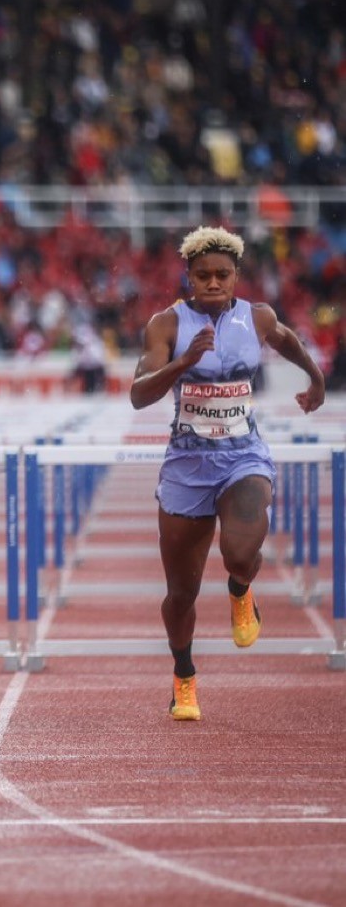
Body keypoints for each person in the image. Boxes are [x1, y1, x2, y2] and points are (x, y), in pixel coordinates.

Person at [130, 226, 324, 721]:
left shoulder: (256, 317)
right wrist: (185, 362)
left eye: (222, 275)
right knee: (180, 594)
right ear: (188, 278)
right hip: (186, 467)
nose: (213, 283)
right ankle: (184, 677)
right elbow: (139, 394)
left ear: (236, 277)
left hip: (243, 456)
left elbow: (288, 341)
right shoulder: (166, 326)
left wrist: (316, 377)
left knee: (240, 553)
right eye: (202, 276)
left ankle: (240, 588)